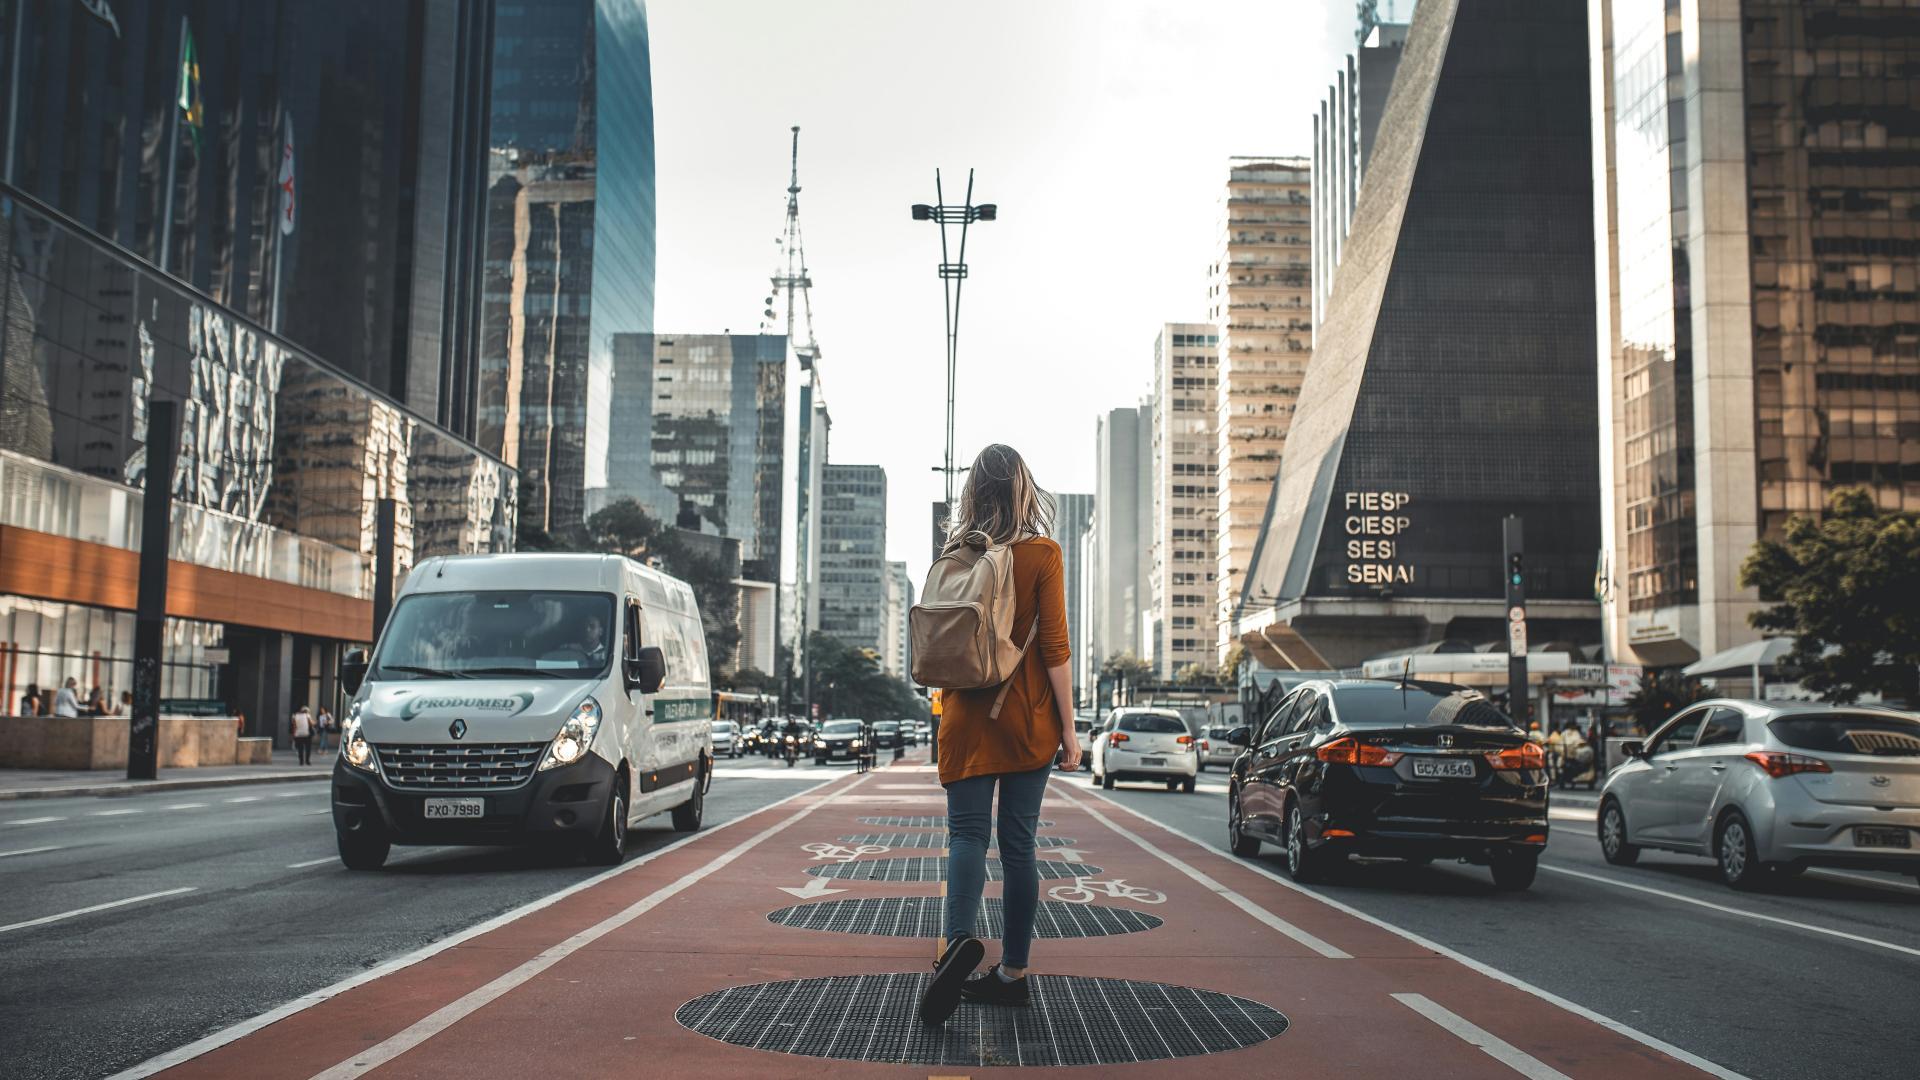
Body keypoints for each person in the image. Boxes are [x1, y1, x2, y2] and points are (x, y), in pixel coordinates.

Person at [919, 444, 1081, 1026]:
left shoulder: (956, 555)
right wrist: (1070, 731)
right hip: (1027, 722)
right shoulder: (1044, 554)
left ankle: (956, 944)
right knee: (1019, 847)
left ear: (972, 494)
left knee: (965, 837)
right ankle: (1012, 973)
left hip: (965, 719)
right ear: (1023, 489)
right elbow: (1056, 649)